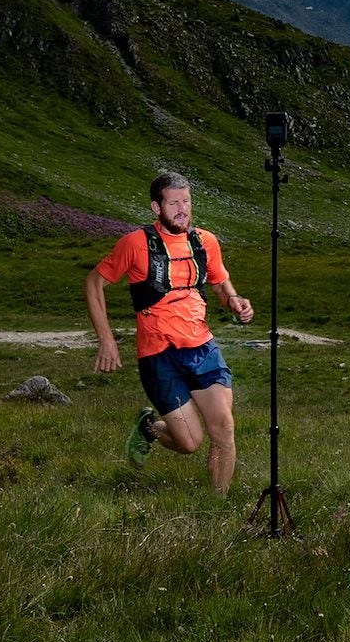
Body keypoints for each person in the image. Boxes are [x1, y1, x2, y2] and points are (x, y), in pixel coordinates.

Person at [85, 171, 253, 495]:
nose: (182, 209)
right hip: (158, 355)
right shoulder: (136, 244)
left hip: (202, 349)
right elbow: (93, 283)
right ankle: (149, 427)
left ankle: (217, 509)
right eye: (173, 202)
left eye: (186, 201)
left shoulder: (205, 241)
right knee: (190, 442)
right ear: (156, 207)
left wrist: (234, 299)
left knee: (224, 430)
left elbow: (219, 282)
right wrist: (106, 340)